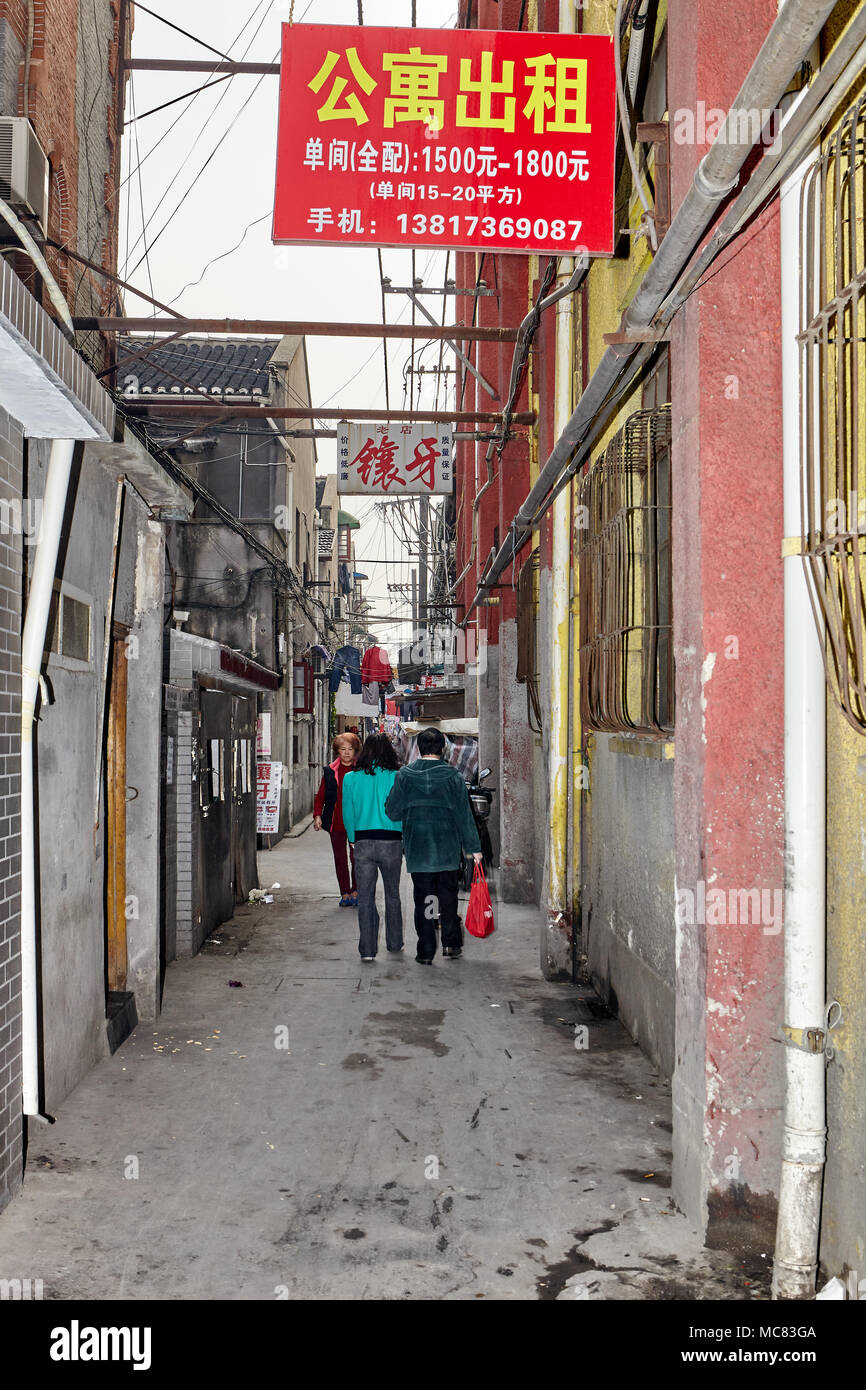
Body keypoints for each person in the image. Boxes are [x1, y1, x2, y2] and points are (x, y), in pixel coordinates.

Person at [385, 727, 482, 965]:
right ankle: (450, 943)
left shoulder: (405, 775)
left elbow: (392, 811)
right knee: (448, 897)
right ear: (442, 749)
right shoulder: (454, 777)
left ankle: (426, 949)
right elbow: (464, 815)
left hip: (419, 849)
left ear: (419, 749)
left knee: (425, 898)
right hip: (447, 848)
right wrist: (474, 848)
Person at [342, 734, 404, 961]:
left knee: (366, 898)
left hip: (363, 842)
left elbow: (347, 812)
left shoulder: (350, 779)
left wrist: (352, 837)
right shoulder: (398, 777)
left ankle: (367, 950)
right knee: (393, 895)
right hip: (391, 842)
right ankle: (395, 943)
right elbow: (403, 810)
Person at [313, 732, 361, 906]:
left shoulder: (361, 770)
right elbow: (320, 796)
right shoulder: (329, 771)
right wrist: (317, 815)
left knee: (357, 858)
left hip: (357, 823)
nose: (347, 753)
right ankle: (345, 893)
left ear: (355, 751)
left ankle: (356, 890)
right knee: (340, 858)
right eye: (343, 749)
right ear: (337, 751)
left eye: (350, 749)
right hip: (336, 822)